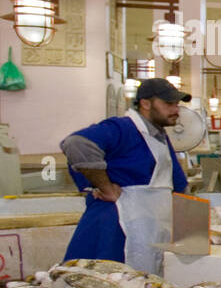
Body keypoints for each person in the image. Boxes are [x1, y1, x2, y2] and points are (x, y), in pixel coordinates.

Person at [60, 78, 191, 264]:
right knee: (102, 287)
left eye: (176, 104)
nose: (175, 110)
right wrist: (105, 187)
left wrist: (195, 232)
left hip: (147, 231)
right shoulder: (122, 128)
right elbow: (77, 143)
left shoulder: (158, 136)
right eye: (169, 104)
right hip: (115, 229)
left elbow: (178, 186)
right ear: (146, 103)